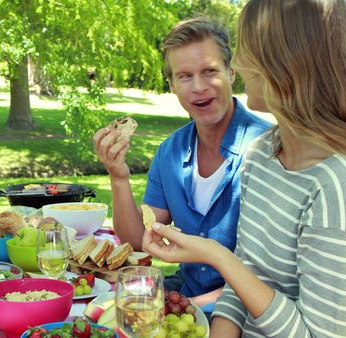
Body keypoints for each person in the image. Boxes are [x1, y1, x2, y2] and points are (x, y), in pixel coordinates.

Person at [143, 0, 346, 336]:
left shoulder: (334, 186)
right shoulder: (263, 153)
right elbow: (245, 281)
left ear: (284, 62)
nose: (235, 62)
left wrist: (216, 255)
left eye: (246, 46)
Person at [93, 18, 272, 313]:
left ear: (231, 72)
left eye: (210, 71)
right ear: (172, 84)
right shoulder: (170, 153)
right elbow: (137, 241)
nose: (199, 87)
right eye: (185, 76)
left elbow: (272, 276)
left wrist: (182, 307)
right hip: (186, 300)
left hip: (248, 315)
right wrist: (119, 177)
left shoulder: (268, 149)